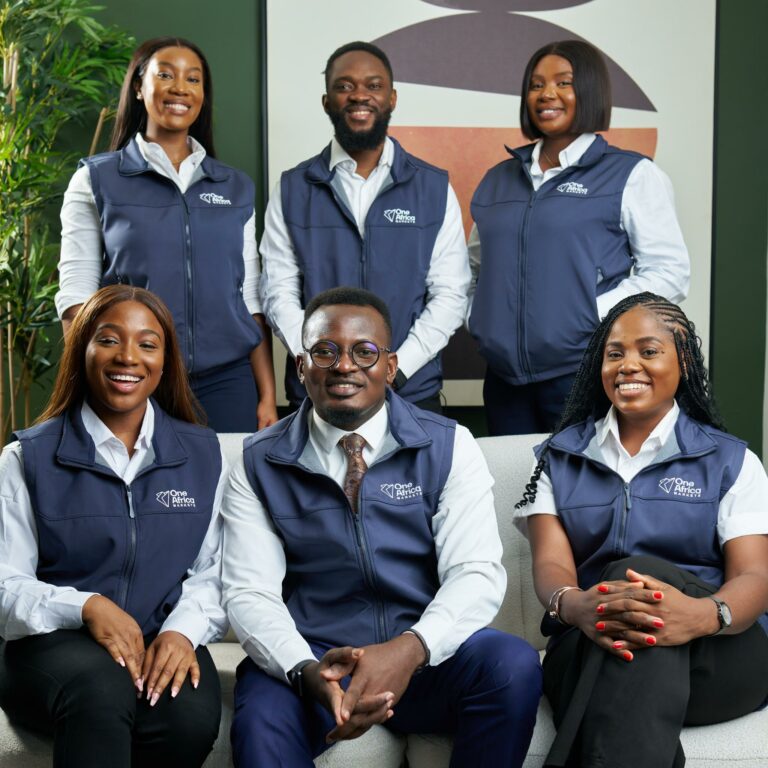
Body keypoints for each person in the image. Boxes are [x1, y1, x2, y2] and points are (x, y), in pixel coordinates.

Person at [221, 286, 541, 767]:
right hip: (318, 661)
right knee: (260, 715)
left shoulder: (449, 445)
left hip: (426, 655)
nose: (344, 366)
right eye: (325, 351)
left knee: (511, 665)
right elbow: (250, 592)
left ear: (390, 367)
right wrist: (305, 670)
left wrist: (410, 649)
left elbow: (475, 573)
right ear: (302, 367)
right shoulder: (256, 462)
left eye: (364, 351)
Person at [514, 292, 768, 768]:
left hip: (716, 653)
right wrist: (576, 605)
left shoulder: (732, 461)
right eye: (614, 353)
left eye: (649, 351)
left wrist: (701, 615)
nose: (628, 365)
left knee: (638, 575)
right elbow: (550, 563)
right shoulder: (558, 457)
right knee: (631, 618)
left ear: (683, 362)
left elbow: (754, 577)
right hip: (591, 641)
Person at [0, 286, 229, 768]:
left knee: (186, 718)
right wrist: (87, 606)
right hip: (49, 646)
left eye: (147, 344)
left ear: (165, 361)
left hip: (159, 635)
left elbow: (214, 570)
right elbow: (5, 583)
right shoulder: (26, 458)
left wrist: (182, 632)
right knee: (100, 690)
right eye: (108, 339)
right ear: (81, 350)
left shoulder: (205, 455)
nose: (128, 356)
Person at [468, 40, 690, 436]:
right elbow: (473, 267)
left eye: (563, 83)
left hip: (584, 370)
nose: (546, 94)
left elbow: (669, 272)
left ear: (589, 90)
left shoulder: (631, 175)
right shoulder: (498, 179)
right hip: (503, 380)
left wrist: (589, 315)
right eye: (536, 85)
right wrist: (481, 319)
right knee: (511, 476)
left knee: (582, 476)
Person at [55, 36, 277, 433]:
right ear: (139, 88)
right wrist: (84, 386)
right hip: (132, 374)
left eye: (193, 79)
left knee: (225, 475)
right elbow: (77, 296)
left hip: (226, 381)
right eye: (165, 75)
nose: (180, 88)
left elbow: (249, 299)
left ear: (203, 95)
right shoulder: (96, 179)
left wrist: (266, 395)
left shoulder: (235, 187)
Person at [260, 41, 469, 413]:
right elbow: (279, 292)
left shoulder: (433, 188)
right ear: (327, 101)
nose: (359, 95)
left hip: (410, 393)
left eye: (373, 86)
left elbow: (450, 295)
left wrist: (395, 368)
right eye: (345, 86)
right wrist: (320, 363)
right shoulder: (292, 189)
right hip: (318, 394)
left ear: (392, 98)